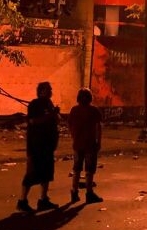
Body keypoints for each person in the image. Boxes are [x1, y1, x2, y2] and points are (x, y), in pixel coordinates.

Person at [18, 82, 60, 213]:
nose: (50, 91)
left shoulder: (49, 103)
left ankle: (43, 199)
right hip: (36, 145)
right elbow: (33, 121)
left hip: (48, 145)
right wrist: (51, 115)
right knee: (32, 174)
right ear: (41, 91)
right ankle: (22, 201)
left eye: (51, 89)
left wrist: (55, 115)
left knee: (47, 174)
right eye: (48, 89)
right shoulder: (34, 104)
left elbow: (54, 120)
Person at [68, 88, 103, 204]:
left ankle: (74, 191)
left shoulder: (74, 110)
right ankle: (89, 193)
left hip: (78, 144)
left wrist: (74, 138)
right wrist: (99, 141)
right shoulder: (94, 111)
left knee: (77, 168)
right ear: (90, 98)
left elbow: (71, 126)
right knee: (89, 169)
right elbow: (98, 127)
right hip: (90, 144)